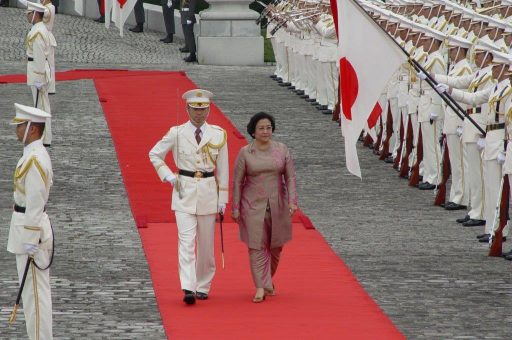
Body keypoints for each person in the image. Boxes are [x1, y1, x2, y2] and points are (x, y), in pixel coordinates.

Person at [149, 89, 228, 305]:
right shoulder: (176, 132)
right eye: (195, 109)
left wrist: (223, 199)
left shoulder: (218, 134)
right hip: (183, 191)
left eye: (203, 109)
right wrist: (167, 175)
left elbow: (223, 168)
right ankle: (188, 286)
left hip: (209, 192)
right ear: (187, 109)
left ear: (209, 109)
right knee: (186, 242)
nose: (199, 113)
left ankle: (203, 285)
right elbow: (155, 153)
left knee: (205, 245)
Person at [231, 112, 298, 303]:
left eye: (268, 127)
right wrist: (235, 207)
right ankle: (260, 286)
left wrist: (293, 201)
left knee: (276, 246)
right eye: (261, 128)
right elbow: (237, 181)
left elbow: (290, 177)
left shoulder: (282, 149)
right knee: (256, 246)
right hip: (252, 205)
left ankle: (267, 279)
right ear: (253, 131)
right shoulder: (245, 152)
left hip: (278, 203)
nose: (265, 131)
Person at [8, 103, 54, 340]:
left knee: (35, 298)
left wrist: (30, 238)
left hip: (31, 234)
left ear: (33, 130)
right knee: (32, 296)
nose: (16, 130)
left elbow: (35, 202)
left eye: (21, 126)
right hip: (26, 229)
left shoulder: (35, 159)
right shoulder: (31, 155)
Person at [25, 2, 52, 147]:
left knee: (40, 106)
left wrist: (39, 77)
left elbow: (40, 56)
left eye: (29, 13)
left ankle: (44, 137)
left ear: (35, 14)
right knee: (41, 105)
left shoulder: (38, 32)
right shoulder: (38, 29)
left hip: (37, 72)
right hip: (36, 69)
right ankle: (44, 137)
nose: (27, 16)